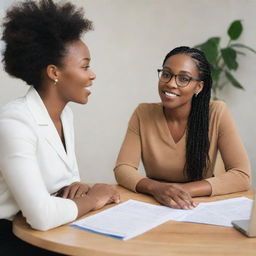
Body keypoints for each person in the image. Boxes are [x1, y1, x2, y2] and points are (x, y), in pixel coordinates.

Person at [0, 0, 119, 255]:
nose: (92, 74)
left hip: (52, 231)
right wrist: (95, 197)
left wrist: (77, 187)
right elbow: (41, 216)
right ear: (54, 72)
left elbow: (65, 184)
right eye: (85, 66)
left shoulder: (65, 115)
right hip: (10, 237)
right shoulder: (15, 122)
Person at [114, 46, 251, 210]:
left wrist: (178, 192)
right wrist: (155, 188)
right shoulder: (143, 113)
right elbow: (123, 168)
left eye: (183, 79)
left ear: (198, 87)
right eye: (166, 74)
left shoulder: (217, 112)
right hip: (153, 203)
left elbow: (241, 175)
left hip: (197, 205)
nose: (171, 84)